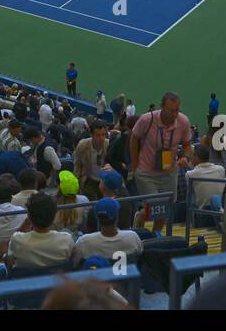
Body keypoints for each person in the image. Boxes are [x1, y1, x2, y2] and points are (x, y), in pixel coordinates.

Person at [129, 92, 193, 233]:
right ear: (162, 107)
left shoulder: (183, 122)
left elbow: (187, 145)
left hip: (169, 172)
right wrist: (135, 165)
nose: (174, 114)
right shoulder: (147, 120)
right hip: (146, 172)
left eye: (177, 110)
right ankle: (143, 218)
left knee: (166, 209)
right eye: (171, 110)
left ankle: (152, 234)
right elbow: (134, 138)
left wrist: (186, 157)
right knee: (157, 207)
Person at [6, 191, 74, 269]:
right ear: (54, 216)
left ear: (29, 217)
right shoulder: (66, 239)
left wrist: (25, 224)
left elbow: (9, 261)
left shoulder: (17, 240)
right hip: (58, 280)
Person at [73, 198, 143, 267]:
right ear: (117, 217)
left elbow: (74, 264)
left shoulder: (84, 241)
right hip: (129, 277)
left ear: (97, 218)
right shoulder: (132, 237)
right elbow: (140, 255)